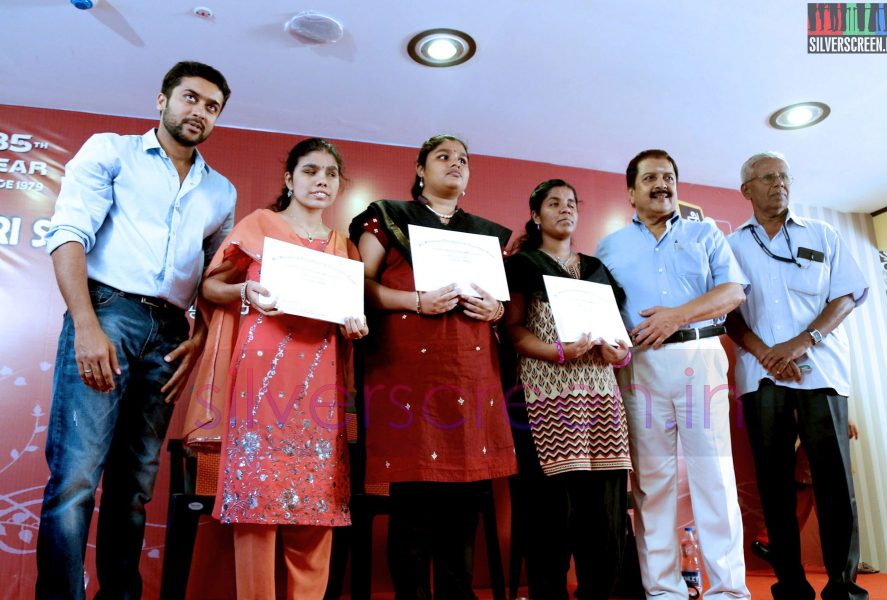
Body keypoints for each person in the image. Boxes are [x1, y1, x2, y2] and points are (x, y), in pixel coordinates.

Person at [36, 61, 234, 599]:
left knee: (135, 489)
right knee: (76, 480)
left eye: (212, 106)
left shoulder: (221, 192)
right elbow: (69, 234)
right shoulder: (111, 150)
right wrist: (86, 325)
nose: (199, 112)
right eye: (190, 98)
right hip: (108, 312)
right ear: (162, 100)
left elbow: (217, 278)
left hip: (171, 334)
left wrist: (202, 336)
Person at [189, 137, 367, 599]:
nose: (321, 181)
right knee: (257, 503)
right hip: (260, 373)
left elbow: (346, 314)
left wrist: (354, 326)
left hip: (319, 381)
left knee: (316, 505)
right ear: (289, 179)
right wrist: (245, 293)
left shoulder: (342, 245)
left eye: (330, 174)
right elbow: (211, 289)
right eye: (310, 171)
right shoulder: (258, 226)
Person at [349, 134, 518, 599]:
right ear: (420, 170)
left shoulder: (486, 234)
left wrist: (497, 312)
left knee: (462, 509)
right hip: (408, 376)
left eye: (463, 158)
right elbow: (361, 285)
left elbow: (501, 303)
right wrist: (417, 301)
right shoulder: (388, 218)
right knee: (414, 507)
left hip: (471, 375)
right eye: (443, 156)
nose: (455, 164)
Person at [596, 149, 750, 600]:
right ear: (631, 192)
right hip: (639, 366)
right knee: (651, 483)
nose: (661, 184)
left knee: (714, 476)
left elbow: (732, 292)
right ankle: (663, 591)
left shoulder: (706, 234)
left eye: (668, 176)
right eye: (650, 178)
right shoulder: (611, 246)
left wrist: (676, 317)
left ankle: (728, 591)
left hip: (699, 359)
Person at [726, 151, 869, 600]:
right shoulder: (731, 246)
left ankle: (843, 587)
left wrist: (802, 341)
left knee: (834, 482)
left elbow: (846, 296)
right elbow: (728, 313)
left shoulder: (823, 234)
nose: (779, 183)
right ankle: (790, 585)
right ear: (747, 189)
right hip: (760, 375)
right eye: (767, 177)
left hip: (822, 372)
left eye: (784, 176)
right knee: (774, 483)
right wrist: (767, 354)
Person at [504, 179, 632, 599]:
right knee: (549, 517)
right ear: (536, 214)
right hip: (546, 404)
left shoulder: (596, 269)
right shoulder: (522, 265)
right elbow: (513, 331)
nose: (565, 210)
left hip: (600, 404)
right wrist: (558, 351)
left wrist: (619, 354)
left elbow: (620, 339)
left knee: (605, 517)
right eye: (554, 203)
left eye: (571, 203)